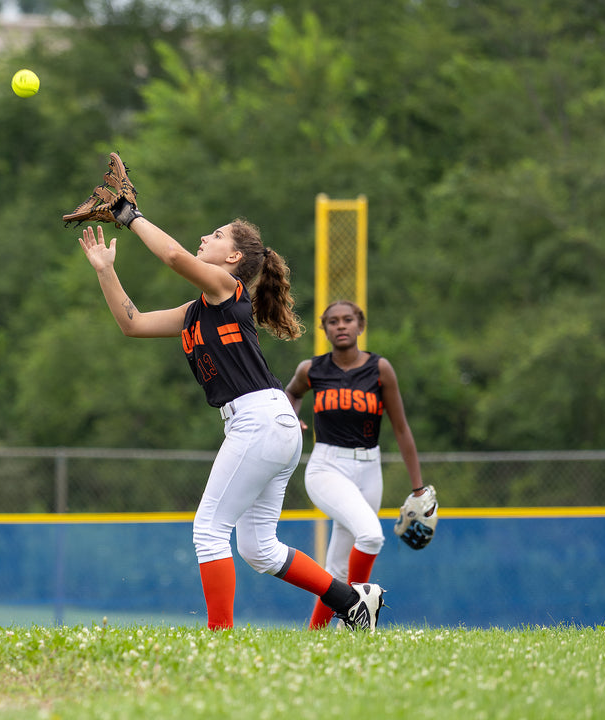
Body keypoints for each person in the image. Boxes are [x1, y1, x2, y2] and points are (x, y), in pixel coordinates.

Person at [72, 153, 385, 630]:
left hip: (259, 420)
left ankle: (220, 637)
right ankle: (353, 601)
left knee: (208, 531)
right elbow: (133, 324)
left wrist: (130, 216)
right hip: (269, 423)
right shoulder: (198, 309)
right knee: (260, 549)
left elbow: (174, 256)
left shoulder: (226, 288)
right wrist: (104, 270)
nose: (204, 238)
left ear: (234, 259)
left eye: (216, 235)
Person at [284, 300, 429, 629]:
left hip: (369, 469)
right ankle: (356, 616)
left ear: (360, 325)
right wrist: (291, 417)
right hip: (327, 467)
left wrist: (418, 488)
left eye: (348, 319)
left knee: (338, 566)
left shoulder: (379, 369)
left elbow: (401, 428)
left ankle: (316, 633)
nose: (341, 325)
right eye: (333, 321)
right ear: (324, 329)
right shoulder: (312, 369)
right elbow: (291, 394)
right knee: (371, 536)